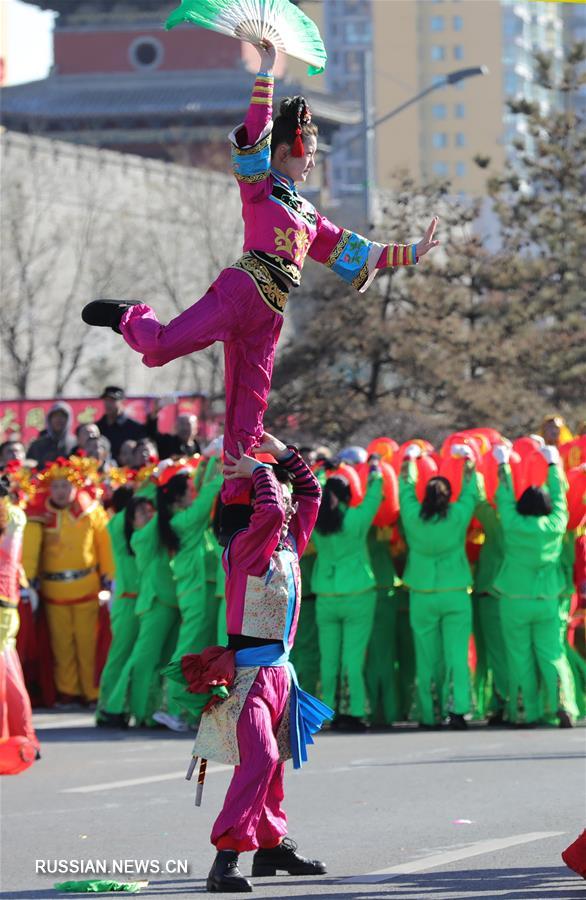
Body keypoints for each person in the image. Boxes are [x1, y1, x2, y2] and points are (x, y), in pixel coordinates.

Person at [82, 40, 439, 504]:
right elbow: (254, 132)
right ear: (291, 148)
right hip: (242, 289)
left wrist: (411, 252)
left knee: (248, 418)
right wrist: (268, 70)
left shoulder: (310, 216)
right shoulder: (260, 188)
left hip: (270, 312)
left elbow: (357, 250)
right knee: (163, 344)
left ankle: (238, 500)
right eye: (310, 152)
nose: (313, 161)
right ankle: (132, 314)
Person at [181, 433, 329, 893]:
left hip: (282, 673)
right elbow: (270, 509)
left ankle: (271, 844)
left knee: (276, 761)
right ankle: (225, 858)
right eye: (275, 492)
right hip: (247, 677)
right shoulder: (246, 548)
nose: (285, 498)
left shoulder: (287, 544)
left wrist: (282, 452)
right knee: (261, 757)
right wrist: (258, 470)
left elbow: (311, 493)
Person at [492, 444, 578, 727]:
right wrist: (554, 466)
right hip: (547, 599)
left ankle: (524, 711)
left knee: (519, 655)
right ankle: (563, 704)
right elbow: (561, 499)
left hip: (514, 599)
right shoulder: (555, 524)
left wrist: (503, 466)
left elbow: (503, 497)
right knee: (552, 654)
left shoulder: (513, 524)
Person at [398, 444, 482, 730]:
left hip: (422, 594)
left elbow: (405, 490)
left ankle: (428, 713)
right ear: (448, 497)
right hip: (455, 593)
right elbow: (473, 492)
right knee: (457, 655)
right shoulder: (458, 516)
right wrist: (470, 463)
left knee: (426, 656)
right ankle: (458, 710)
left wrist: (408, 461)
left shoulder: (412, 517)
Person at [22, 458, 114, 706]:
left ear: (75, 487)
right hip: (53, 593)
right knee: (61, 647)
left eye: (66, 486)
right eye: (56, 486)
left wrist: (111, 577)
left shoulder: (91, 512)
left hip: (87, 589)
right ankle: (68, 692)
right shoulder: (38, 517)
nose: (61, 491)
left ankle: (92, 691)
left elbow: (105, 546)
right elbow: (30, 553)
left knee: (88, 644)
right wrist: (27, 583)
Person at [311, 464, 383, 730]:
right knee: (353, 658)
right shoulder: (355, 519)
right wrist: (375, 471)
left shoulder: (316, 523)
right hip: (358, 595)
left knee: (328, 659)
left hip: (326, 595)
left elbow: (309, 491)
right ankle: (353, 711)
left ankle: (326, 712)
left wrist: (319, 472)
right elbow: (376, 496)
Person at [96, 490, 154, 726]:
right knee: (120, 656)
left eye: (149, 512)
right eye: (141, 512)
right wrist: (148, 484)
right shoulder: (120, 537)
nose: (147, 516)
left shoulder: (150, 538)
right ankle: (105, 708)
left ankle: (125, 707)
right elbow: (120, 519)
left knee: (138, 658)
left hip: (146, 604)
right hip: (126, 603)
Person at [0, 476, 40, 772]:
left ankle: (8, 740)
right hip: (7, 605)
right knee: (10, 675)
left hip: (2, 606)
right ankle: (24, 738)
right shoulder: (15, 515)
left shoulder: (11, 516)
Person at [96, 387, 146, 462]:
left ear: (123, 402)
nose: (108, 404)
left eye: (112, 400)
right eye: (106, 400)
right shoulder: (98, 427)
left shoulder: (135, 427)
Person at [27, 402, 77, 467]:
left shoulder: (75, 444)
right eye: (55, 416)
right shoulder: (37, 445)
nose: (59, 419)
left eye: (62, 416)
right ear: (49, 419)